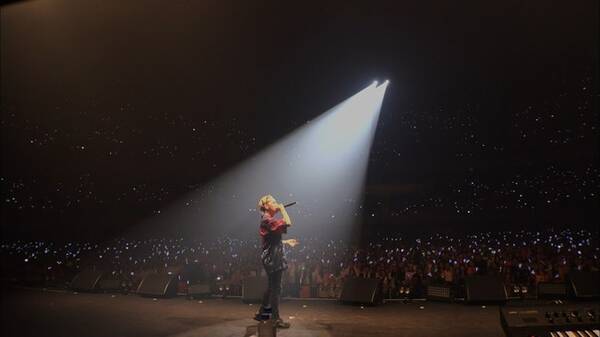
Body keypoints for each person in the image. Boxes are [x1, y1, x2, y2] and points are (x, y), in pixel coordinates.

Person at [254, 195, 297, 329]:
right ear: (266, 206)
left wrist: (285, 242)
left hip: (272, 255)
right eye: (273, 202)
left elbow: (271, 240)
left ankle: (261, 313)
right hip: (273, 258)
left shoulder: (268, 220)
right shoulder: (267, 220)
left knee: (272, 287)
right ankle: (275, 318)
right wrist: (283, 209)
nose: (276, 203)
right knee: (276, 288)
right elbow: (288, 222)